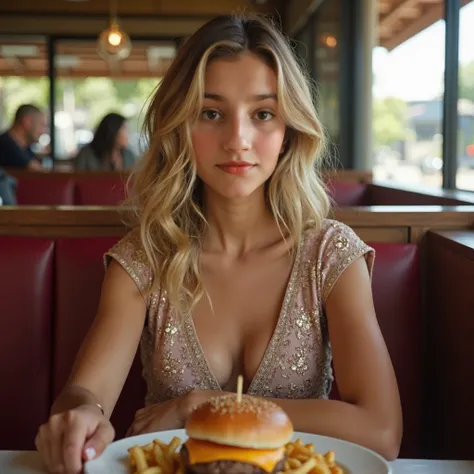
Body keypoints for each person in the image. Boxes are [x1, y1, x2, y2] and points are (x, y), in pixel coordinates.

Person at [35, 13, 402, 474]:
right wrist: (79, 416)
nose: (237, 140)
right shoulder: (145, 257)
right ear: (179, 126)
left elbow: (381, 432)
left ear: (289, 130)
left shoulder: (330, 256)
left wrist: (202, 405)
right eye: (211, 113)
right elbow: (85, 393)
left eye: (263, 114)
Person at [0, 104, 46, 170]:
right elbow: (36, 170)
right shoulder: (6, 146)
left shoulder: (24, 148)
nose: (43, 132)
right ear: (27, 122)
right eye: (41, 125)